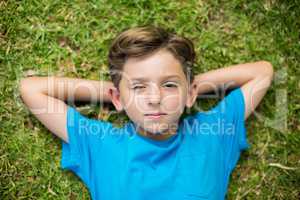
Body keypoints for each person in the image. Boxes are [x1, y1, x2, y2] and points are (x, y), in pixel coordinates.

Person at [19, 26, 274, 200]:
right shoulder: (100, 144)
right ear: (117, 98)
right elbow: (31, 89)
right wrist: (116, 91)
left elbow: (262, 72)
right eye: (139, 88)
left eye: (168, 85)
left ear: (190, 93)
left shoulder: (213, 134)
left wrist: (187, 86)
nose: (154, 99)